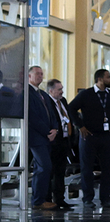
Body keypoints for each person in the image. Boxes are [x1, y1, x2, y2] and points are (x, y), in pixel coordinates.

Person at [70, 69, 110, 207]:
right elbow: (71, 108)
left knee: (108, 168)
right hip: (89, 136)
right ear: (100, 79)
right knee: (87, 168)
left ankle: (105, 198)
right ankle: (88, 199)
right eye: (108, 77)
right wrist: (80, 126)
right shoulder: (86, 94)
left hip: (107, 136)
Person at [26, 66, 58, 210]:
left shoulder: (44, 94)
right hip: (36, 137)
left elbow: (52, 113)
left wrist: (55, 129)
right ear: (29, 76)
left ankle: (39, 200)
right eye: (37, 74)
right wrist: (47, 132)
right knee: (44, 167)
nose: (40, 76)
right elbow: (32, 117)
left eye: (41, 74)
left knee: (43, 167)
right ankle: (38, 201)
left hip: (47, 137)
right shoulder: (26, 93)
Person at [46, 79, 76, 210]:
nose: (62, 91)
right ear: (51, 91)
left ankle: (60, 199)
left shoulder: (63, 101)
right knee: (50, 172)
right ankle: (47, 200)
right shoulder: (47, 102)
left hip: (64, 141)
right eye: (59, 89)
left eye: (62, 88)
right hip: (53, 142)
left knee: (60, 172)